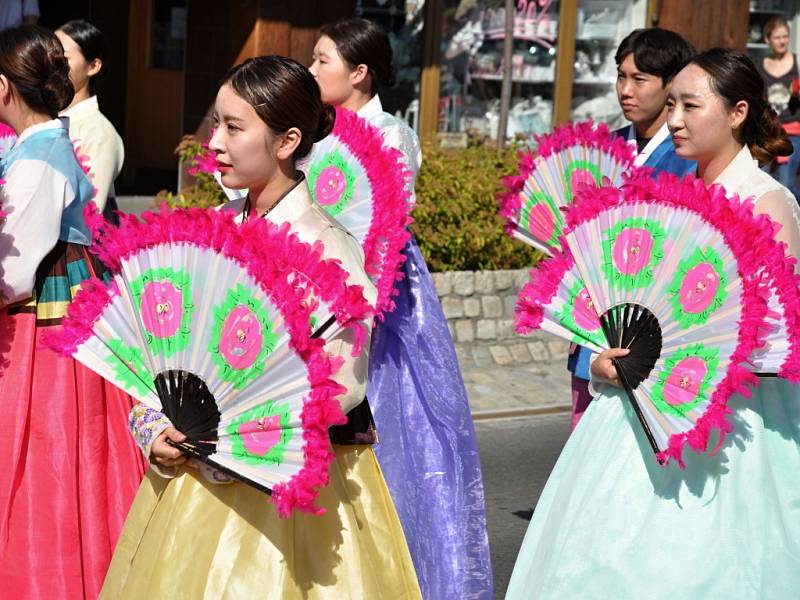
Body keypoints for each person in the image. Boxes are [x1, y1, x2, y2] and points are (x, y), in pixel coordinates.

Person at [100, 55, 422, 599]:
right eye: (216, 124)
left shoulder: (327, 247)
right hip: (197, 487)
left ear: (286, 140)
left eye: (233, 126)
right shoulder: (214, 233)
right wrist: (156, 428)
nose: (215, 142)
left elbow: (340, 386)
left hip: (295, 497)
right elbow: (166, 355)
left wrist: (235, 432)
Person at [505, 48, 800, 599]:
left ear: (737, 112)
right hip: (632, 418)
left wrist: (682, 364)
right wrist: (602, 358)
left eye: (691, 105)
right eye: (671, 105)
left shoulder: (769, 202)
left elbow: (774, 333)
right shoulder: (665, 197)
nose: (676, 120)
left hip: (732, 425)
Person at [309, 18, 493, 599]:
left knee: (392, 420)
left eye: (322, 61)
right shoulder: (316, 130)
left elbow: (383, 224)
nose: (312, 71)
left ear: (358, 73)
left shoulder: (391, 135)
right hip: (317, 280)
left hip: (382, 293)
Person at [0, 25, 145, 598]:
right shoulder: (39, 148)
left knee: (40, 460)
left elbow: (10, 274)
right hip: (62, 324)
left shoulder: (38, 159)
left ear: (4, 87)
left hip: (44, 335)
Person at [568, 28, 696, 430]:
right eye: (621, 76)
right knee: (583, 439)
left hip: (651, 325)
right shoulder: (604, 150)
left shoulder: (687, 159)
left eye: (639, 79)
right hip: (593, 320)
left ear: (671, 84)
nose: (626, 89)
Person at [55, 19, 124, 215]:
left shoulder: (100, 133)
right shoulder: (46, 117)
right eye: (51, 55)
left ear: (93, 66)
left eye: (64, 58)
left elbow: (90, 214)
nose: (53, 64)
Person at [757, 16, 800, 200]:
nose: (782, 41)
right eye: (777, 37)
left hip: (792, 133)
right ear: (767, 39)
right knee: (761, 182)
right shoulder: (761, 66)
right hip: (768, 133)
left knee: (786, 184)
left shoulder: (798, 63)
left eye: (785, 37)